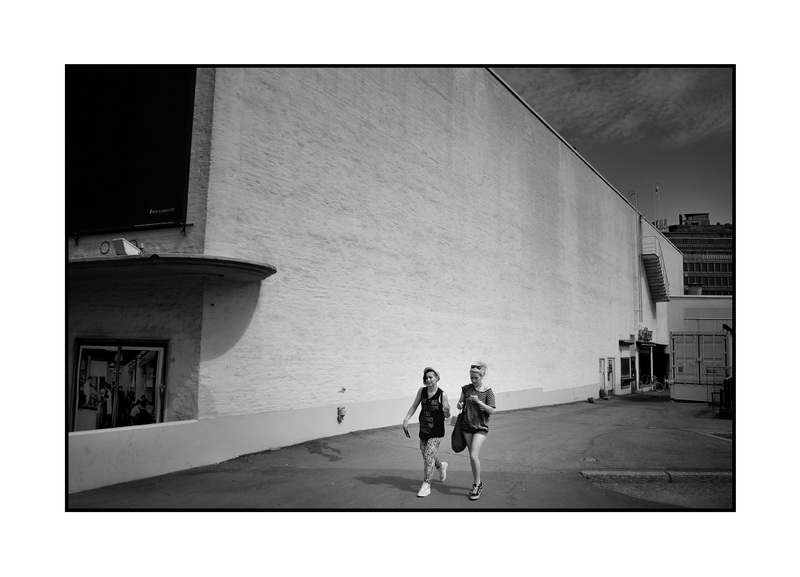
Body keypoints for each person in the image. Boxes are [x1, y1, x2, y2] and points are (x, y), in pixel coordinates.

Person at [402, 367, 451, 497]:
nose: (428, 379)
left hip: (437, 431)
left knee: (429, 454)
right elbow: (414, 406)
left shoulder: (442, 394)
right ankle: (441, 466)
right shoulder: (422, 391)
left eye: (431, 377)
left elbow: (447, 415)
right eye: (426, 377)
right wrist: (406, 419)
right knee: (426, 454)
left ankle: (426, 484)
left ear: (437, 378)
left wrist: (446, 410)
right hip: (424, 429)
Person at [457, 361, 496, 501]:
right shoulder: (466, 389)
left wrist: (479, 402)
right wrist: (459, 404)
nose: (473, 380)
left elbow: (491, 410)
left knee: (474, 456)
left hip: (481, 427)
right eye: (471, 377)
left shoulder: (487, 391)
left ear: (482, 376)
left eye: (476, 378)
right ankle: (476, 481)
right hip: (467, 426)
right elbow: (459, 403)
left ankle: (477, 484)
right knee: (472, 457)